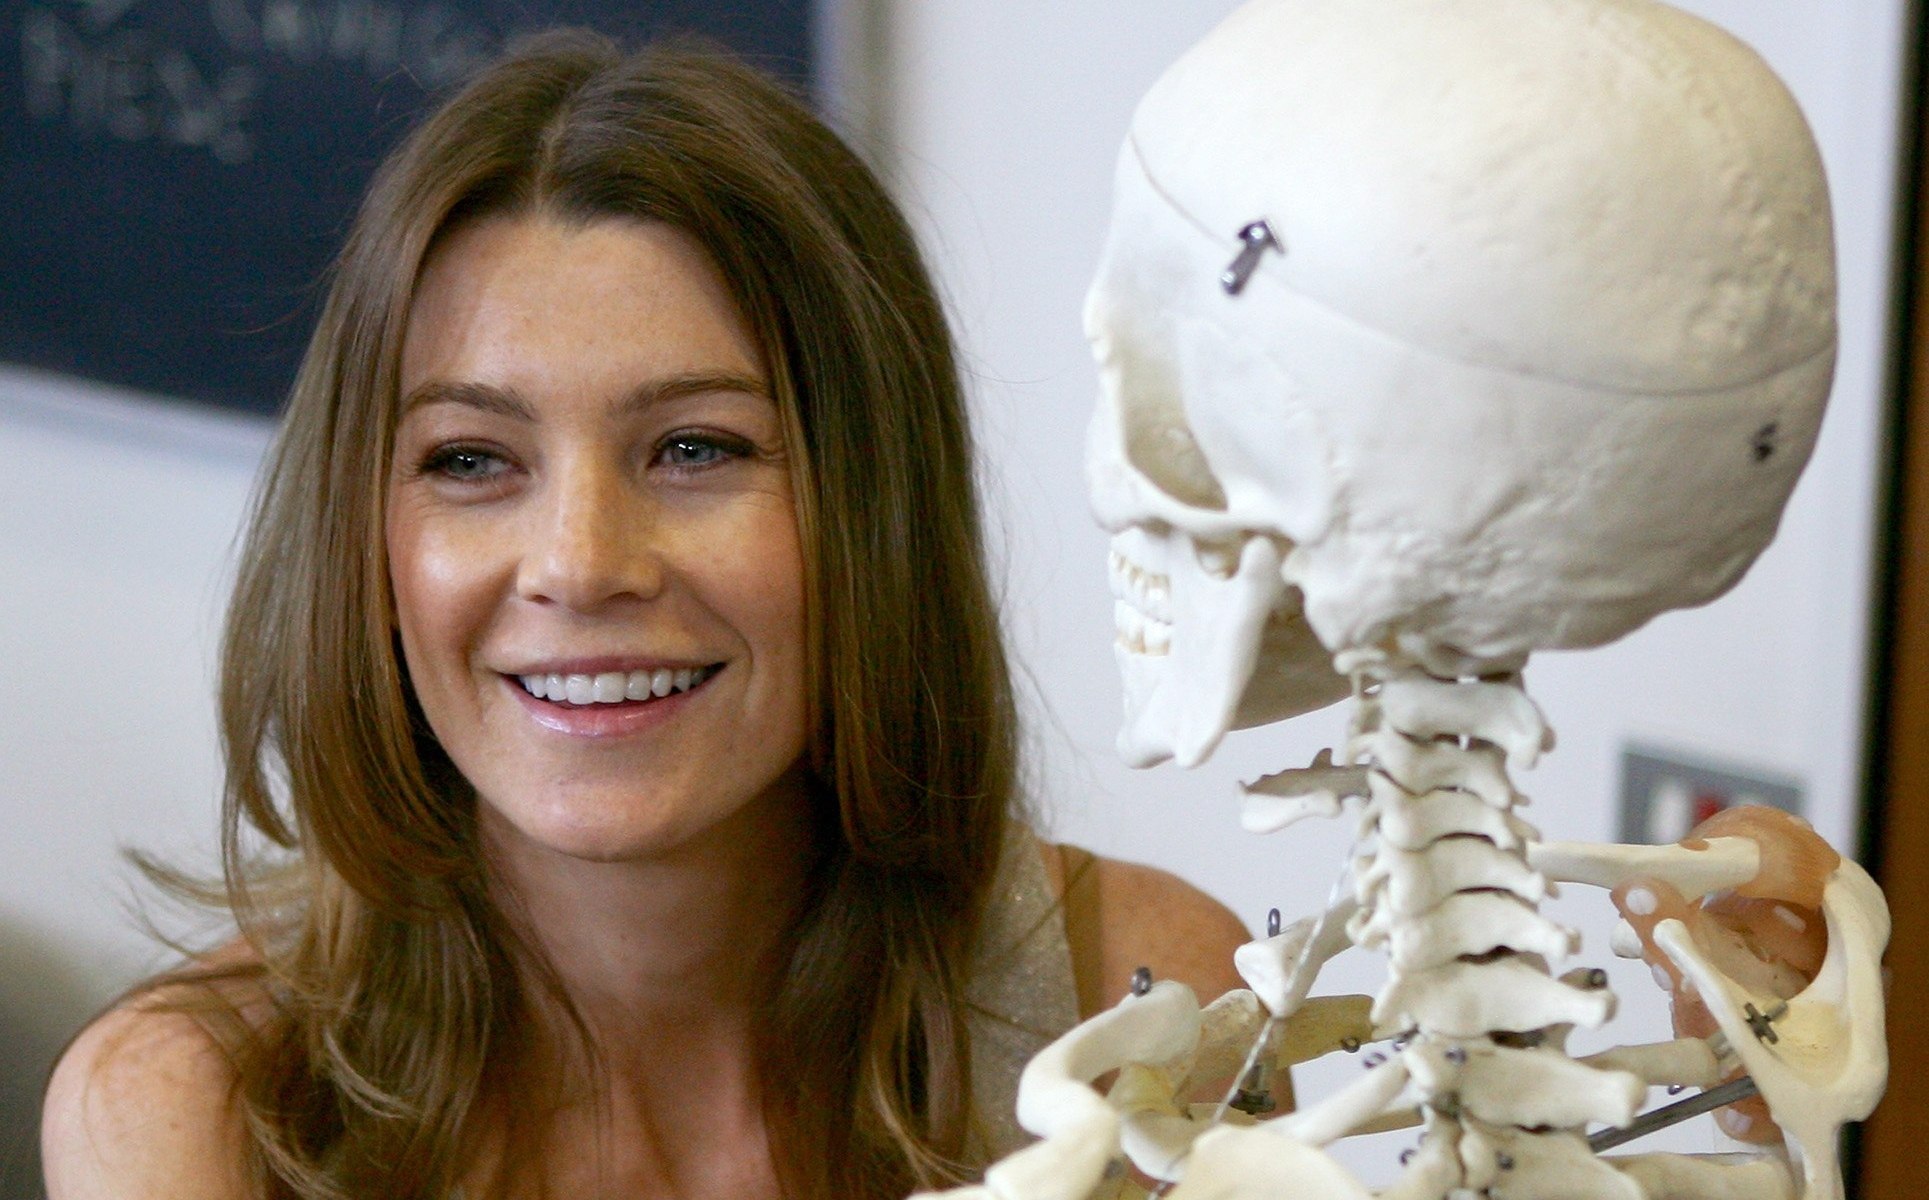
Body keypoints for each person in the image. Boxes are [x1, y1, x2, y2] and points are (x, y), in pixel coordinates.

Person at [38, 31, 1250, 1200]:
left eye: (694, 448)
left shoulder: (1143, 1009)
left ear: (874, 508)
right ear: (361, 530)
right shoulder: (186, 1112)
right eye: (470, 460)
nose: (580, 564)